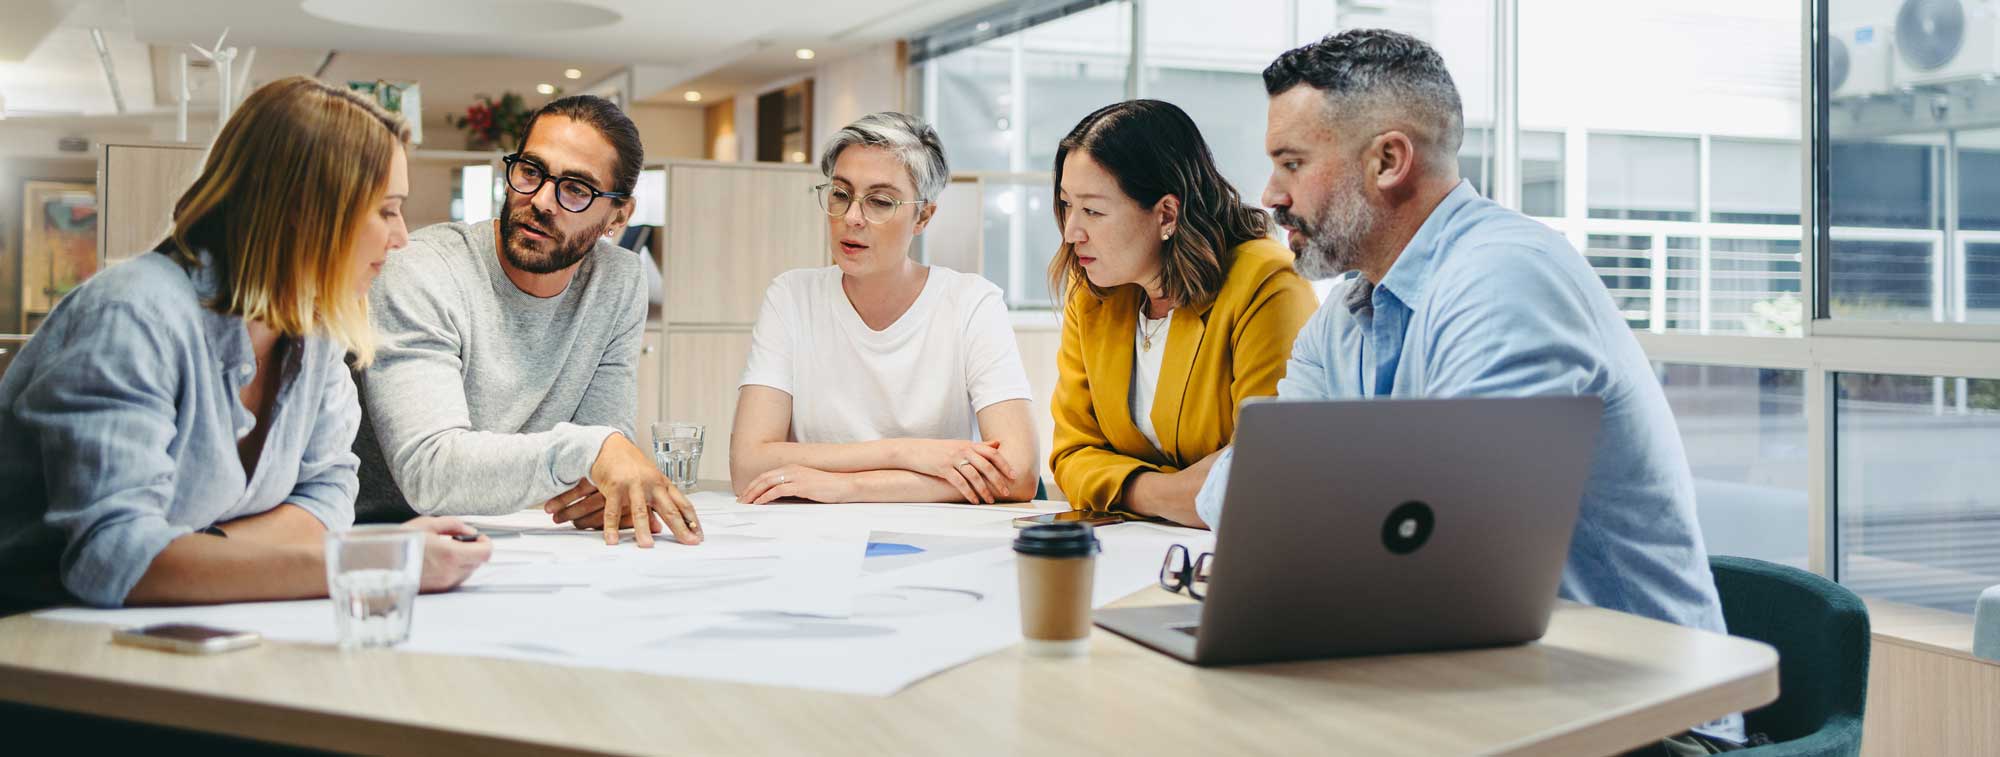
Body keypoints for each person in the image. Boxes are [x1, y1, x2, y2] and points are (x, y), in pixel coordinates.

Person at [1192, 29, 1745, 752]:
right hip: (1482, 688)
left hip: (1638, 719)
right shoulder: (1346, 318)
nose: (1271, 195)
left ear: (1388, 159)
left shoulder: (1504, 278)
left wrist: (1322, 501)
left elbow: (1451, 560)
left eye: (1292, 163)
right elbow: (1240, 495)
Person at [0, 76, 490, 609]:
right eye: (386, 210)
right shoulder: (132, 315)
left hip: (178, 626)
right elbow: (113, 558)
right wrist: (375, 560)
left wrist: (193, 556)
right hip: (38, 646)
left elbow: (329, 496)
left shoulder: (316, 331)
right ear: (308, 212)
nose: (401, 237)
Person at [353, 95, 701, 548]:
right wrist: (591, 452)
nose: (540, 201)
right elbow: (430, 472)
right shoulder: (422, 270)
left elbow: (599, 464)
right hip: (381, 540)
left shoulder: (618, 281)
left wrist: (600, 472)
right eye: (531, 171)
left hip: (511, 542)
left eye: (577, 189)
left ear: (620, 215)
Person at [731, 112, 1039, 505]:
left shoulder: (971, 303)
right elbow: (748, 465)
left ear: (923, 216)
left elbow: (1019, 473)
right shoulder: (792, 296)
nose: (852, 218)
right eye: (841, 194)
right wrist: (906, 452)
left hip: (937, 539)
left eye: (879, 201)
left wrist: (850, 488)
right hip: (813, 536)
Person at [1046, 100, 1316, 526]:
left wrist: (1116, 483)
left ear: (1166, 213)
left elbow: (1263, 469)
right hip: (1132, 550)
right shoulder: (1094, 293)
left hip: (1234, 554)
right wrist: (1164, 494)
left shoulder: (1267, 283)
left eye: (1093, 211)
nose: (1071, 232)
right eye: (1066, 205)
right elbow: (1072, 453)